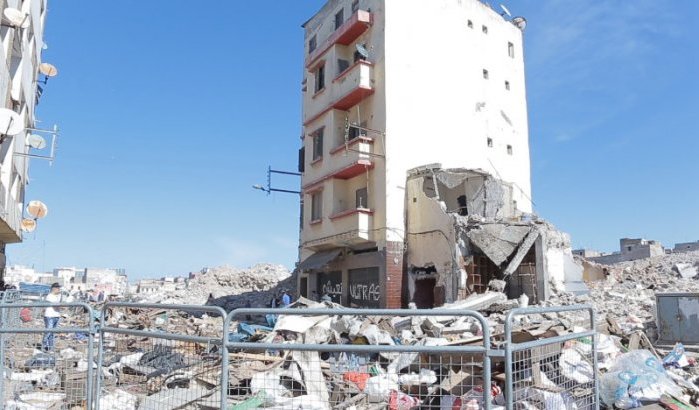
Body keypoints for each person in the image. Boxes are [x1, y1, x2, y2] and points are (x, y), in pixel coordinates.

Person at [43, 283, 62, 351]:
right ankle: (44, 346)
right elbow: (55, 306)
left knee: (52, 333)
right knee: (48, 332)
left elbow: (58, 305)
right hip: (50, 316)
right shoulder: (50, 296)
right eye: (58, 288)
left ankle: (50, 347)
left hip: (56, 316)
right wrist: (60, 305)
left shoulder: (56, 296)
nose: (59, 290)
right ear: (54, 288)